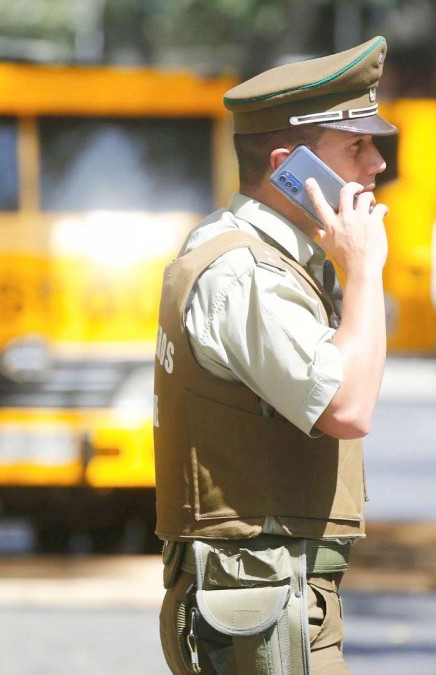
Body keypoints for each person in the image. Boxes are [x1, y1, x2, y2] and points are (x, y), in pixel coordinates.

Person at [154, 36, 394, 674]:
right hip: (261, 604)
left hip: (268, 596)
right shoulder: (247, 271)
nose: (377, 165)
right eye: (356, 147)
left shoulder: (254, 254)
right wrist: (366, 272)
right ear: (290, 167)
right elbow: (347, 407)